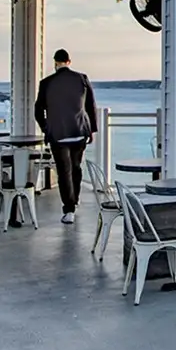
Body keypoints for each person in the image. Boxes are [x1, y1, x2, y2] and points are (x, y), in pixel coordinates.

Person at [34, 48, 99, 224]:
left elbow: (38, 110)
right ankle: (74, 201)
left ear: (55, 62)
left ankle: (69, 209)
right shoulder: (82, 79)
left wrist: (46, 128)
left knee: (64, 171)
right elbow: (90, 106)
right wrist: (92, 129)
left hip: (58, 134)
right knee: (76, 167)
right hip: (79, 132)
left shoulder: (46, 83)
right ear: (69, 61)